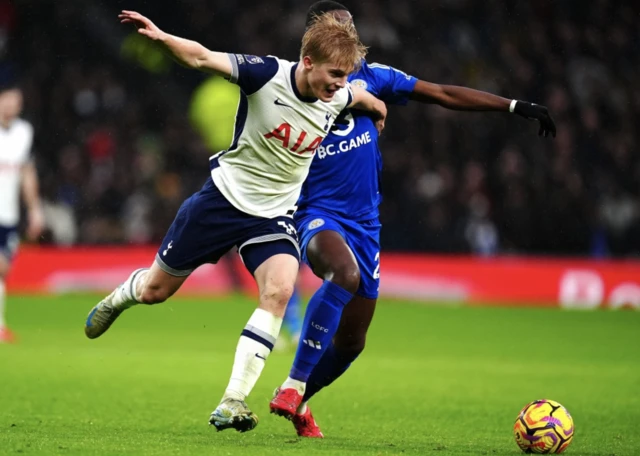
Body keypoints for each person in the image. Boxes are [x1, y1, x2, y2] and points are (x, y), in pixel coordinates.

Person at [83, 10, 386, 434]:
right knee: (156, 291)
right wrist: (160, 35)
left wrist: (374, 102)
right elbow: (202, 58)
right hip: (220, 203)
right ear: (308, 62)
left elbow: (357, 95)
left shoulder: (336, 93)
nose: (338, 84)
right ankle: (119, 298)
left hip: (273, 217)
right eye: (333, 74)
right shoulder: (266, 75)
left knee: (279, 289)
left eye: (345, 76)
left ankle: (233, 400)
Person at [269, 1, 557, 438]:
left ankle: (302, 401)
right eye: (338, 27)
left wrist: (514, 106)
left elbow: (441, 94)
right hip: (316, 213)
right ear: (315, 36)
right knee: (341, 274)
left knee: (352, 343)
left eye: (352, 27)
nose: (350, 38)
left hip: (365, 225)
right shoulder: (292, 85)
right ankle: (291, 385)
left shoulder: (374, 76)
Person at [0, 79, 44, 343]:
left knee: (4, 272)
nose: (13, 106)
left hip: (9, 215)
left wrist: (35, 209)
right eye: (8, 99)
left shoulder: (23, 132)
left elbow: (27, 172)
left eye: (17, 102)